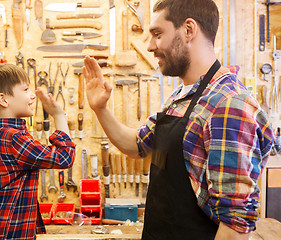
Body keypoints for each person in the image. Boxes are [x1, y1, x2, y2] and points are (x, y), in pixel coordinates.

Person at [82, 0, 274, 239]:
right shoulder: (181, 97)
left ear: (189, 30)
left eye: (157, 34)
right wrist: (100, 109)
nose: (150, 46)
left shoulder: (228, 106)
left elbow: (233, 227)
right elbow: (137, 145)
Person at [0, 63, 76, 240]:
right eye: (25, 89)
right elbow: (64, 158)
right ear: (3, 100)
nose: (32, 95)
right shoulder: (14, 138)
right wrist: (58, 115)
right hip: (7, 232)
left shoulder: (0, 133)